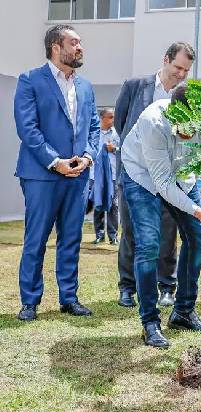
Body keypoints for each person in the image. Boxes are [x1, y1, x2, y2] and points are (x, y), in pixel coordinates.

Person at [121, 84, 201, 348]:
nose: (191, 133)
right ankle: (150, 322)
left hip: (182, 177)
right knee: (149, 245)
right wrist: (199, 211)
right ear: (174, 114)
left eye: (196, 127)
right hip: (142, 176)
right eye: (186, 126)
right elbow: (162, 182)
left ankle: (184, 312)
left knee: (198, 238)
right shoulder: (153, 122)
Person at [14, 24, 99, 322]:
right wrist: (55, 161)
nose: (80, 47)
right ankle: (30, 301)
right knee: (35, 238)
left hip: (78, 176)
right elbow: (28, 128)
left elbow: (94, 127)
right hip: (42, 174)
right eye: (74, 43)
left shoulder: (86, 86)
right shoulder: (30, 80)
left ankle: (69, 298)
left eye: (80, 43)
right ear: (55, 46)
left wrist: (88, 157)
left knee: (71, 238)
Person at [114, 42, 194, 308]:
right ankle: (128, 286)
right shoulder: (136, 86)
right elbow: (121, 123)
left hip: (169, 177)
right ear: (165, 60)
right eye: (177, 67)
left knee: (167, 234)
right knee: (132, 231)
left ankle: (166, 286)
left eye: (186, 70)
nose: (181, 74)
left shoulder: (185, 96)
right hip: (136, 174)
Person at [92, 108, 120, 245]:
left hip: (113, 175)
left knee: (113, 205)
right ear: (102, 118)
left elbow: (124, 150)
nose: (113, 120)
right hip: (95, 175)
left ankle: (113, 236)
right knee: (98, 203)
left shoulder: (117, 133)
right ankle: (99, 235)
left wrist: (114, 149)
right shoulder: (93, 133)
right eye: (110, 117)